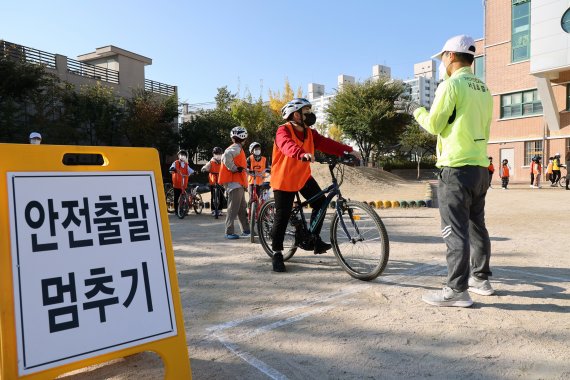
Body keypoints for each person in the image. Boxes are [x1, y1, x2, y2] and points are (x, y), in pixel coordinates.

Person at [396, 35, 494, 307]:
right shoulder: (484, 89)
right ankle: (481, 279)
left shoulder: (452, 85)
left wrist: (415, 110)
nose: (441, 62)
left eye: (442, 57)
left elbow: (435, 124)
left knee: (454, 229)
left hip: (455, 167)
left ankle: (456, 291)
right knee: (477, 225)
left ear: (451, 56)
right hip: (480, 167)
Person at [270, 98, 361, 273]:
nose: (311, 115)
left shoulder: (310, 133)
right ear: (296, 115)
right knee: (283, 215)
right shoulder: (283, 130)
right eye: (307, 112)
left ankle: (313, 238)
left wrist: (348, 150)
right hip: (284, 179)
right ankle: (277, 253)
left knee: (320, 203)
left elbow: (327, 144)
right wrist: (301, 153)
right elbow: (286, 145)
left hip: (303, 177)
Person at [218, 126, 250, 239]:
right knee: (233, 208)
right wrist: (234, 168)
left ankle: (246, 230)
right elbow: (226, 155)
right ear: (244, 138)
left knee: (241, 208)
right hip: (233, 182)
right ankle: (229, 232)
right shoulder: (236, 148)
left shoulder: (237, 148)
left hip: (237, 182)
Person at [169, 150, 195, 215]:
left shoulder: (186, 164)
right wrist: (172, 169)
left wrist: (194, 172)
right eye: (181, 154)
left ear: (186, 157)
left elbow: (190, 170)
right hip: (177, 183)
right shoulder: (176, 163)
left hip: (183, 184)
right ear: (178, 156)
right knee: (176, 197)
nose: (182, 156)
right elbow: (171, 168)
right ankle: (176, 211)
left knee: (184, 197)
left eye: (184, 155)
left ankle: (183, 210)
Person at [201, 147, 224, 217]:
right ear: (213, 154)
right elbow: (206, 166)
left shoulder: (223, 161)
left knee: (221, 196)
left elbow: (227, 167)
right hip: (213, 181)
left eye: (219, 154)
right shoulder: (211, 162)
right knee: (213, 196)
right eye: (216, 154)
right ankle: (213, 210)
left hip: (221, 181)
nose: (218, 155)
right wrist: (204, 168)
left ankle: (220, 210)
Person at [246, 141, 270, 207]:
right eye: (256, 149)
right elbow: (246, 167)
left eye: (259, 149)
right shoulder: (249, 159)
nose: (258, 150)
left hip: (261, 181)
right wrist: (248, 170)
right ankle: (250, 210)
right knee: (251, 195)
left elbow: (268, 168)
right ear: (252, 151)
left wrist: (270, 170)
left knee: (260, 197)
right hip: (251, 181)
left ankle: (258, 211)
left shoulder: (264, 159)